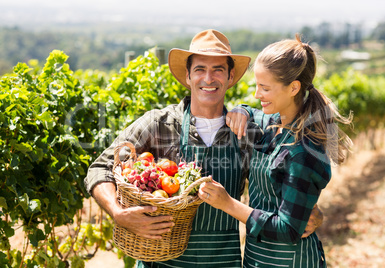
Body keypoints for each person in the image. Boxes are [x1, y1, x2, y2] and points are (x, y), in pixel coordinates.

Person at [84, 29, 322, 268]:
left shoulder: (250, 130)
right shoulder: (159, 124)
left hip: (223, 262)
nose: (208, 79)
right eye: (200, 69)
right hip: (161, 261)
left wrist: (312, 213)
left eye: (218, 69)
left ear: (230, 77)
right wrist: (118, 212)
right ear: (188, 76)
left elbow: (290, 176)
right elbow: (100, 168)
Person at [198, 34, 353, 267]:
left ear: (293, 88)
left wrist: (227, 204)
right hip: (257, 257)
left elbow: (289, 229)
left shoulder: (304, 151)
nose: (257, 94)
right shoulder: (271, 123)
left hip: (289, 261)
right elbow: (250, 111)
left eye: (265, 88)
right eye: (257, 86)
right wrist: (241, 110)